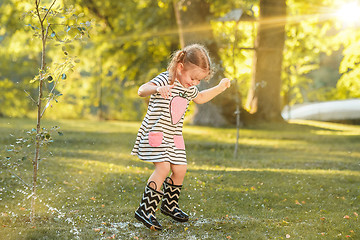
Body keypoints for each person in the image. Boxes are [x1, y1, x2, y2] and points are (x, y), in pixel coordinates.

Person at [131, 43, 231, 230]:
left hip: (174, 136)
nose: (194, 83)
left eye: (198, 81)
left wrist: (219, 88)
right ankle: (146, 209)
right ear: (180, 67)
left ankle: (169, 205)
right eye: (193, 78)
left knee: (180, 169)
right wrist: (156, 89)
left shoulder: (189, 88)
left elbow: (200, 97)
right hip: (156, 133)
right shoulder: (165, 80)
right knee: (163, 168)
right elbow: (141, 90)